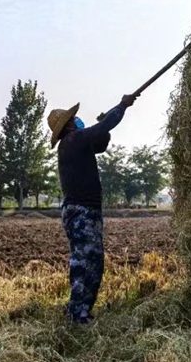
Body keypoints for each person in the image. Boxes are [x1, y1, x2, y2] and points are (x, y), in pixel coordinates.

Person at [47, 94, 136, 324]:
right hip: (80, 212)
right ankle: (77, 314)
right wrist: (122, 106)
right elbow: (103, 128)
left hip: (89, 211)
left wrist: (105, 123)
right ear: (67, 126)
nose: (77, 120)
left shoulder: (78, 143)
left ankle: (84, 309)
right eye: (73, 118)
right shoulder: (72, 141)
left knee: (95, 262)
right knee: (83, 261)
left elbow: (101, 142)